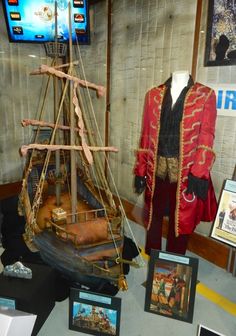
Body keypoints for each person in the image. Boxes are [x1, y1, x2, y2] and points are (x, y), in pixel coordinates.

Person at [134, 70, 217, 255]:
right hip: (156, 170)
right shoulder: (153, 95)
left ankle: (175, 260)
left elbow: (207, 135)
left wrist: (199, 172)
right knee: (153, 215)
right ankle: (153, 255)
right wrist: (141, 169)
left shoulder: (205, 95)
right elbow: (146, 135)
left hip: (186, 173)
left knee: (180, 219)